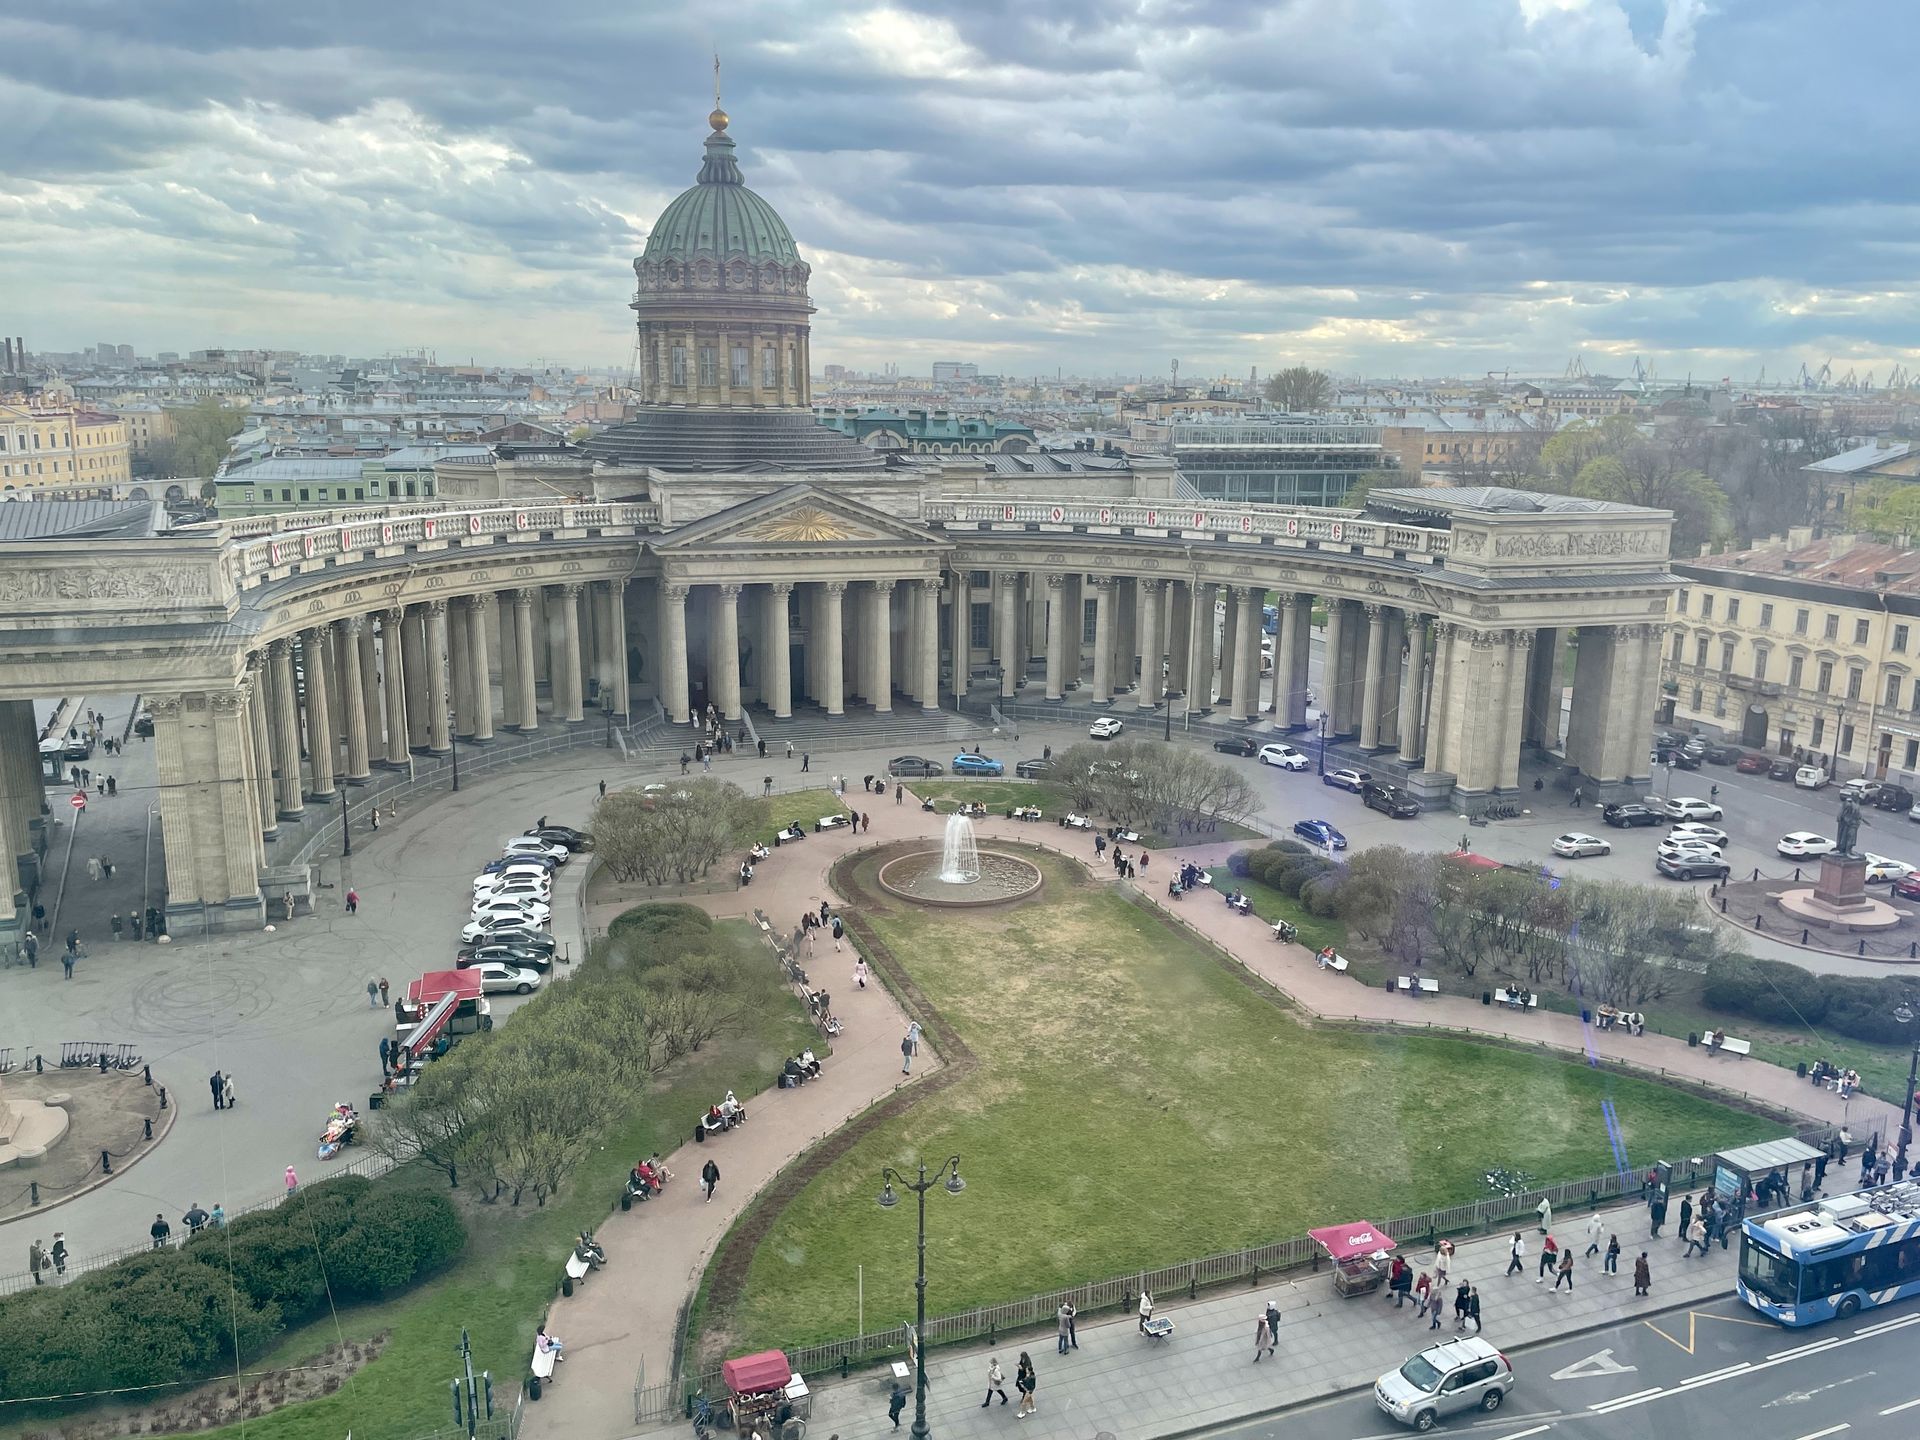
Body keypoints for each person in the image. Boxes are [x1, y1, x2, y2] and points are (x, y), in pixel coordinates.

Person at [1015, 1352, 1036, 1417]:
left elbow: (1028, 1383)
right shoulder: (1030, 1376)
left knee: (1024, 1402)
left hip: (1029, 1390)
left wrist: (1023, 1383)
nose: (1026, 1371)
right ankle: (1032, 1408)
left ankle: (1022, 1413)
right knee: (1030, 1400)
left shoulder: (1030, 1377)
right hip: (1029, 1390)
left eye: (1027, 1370)